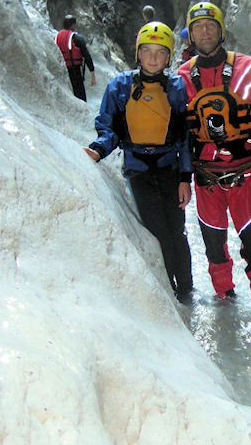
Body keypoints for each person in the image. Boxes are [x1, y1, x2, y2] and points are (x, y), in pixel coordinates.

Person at [178, 1, 251, 309]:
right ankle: (224, 296)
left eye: (210, 25)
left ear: (221, 31)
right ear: (191, 36)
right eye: (198, 27)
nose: (205, 32)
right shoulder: (181, 77)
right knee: (214, 246)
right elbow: (177, 132)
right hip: (205, 178)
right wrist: (181, 176)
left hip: (246, 174)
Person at [84, 21, 194, 301]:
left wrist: (185, 178)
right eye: (147, 51)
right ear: (138, 54)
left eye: (160, 52)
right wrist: (99, 149)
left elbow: (184, 138)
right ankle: (168, 290)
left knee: (177, 231)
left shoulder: (177, 88)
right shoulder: (120, 86)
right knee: (157, 232)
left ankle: (186, 290)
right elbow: (108, 127)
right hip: (138, 169)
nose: (153, 58)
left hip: (169, 168)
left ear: (168, 57)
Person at [55, 15, 96, 101]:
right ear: (73, 25)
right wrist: (92, 74)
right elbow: (87, 56)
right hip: (75, 70)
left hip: (63, 69)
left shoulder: (57, 37)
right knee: (80, 94)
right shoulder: (77, 38)